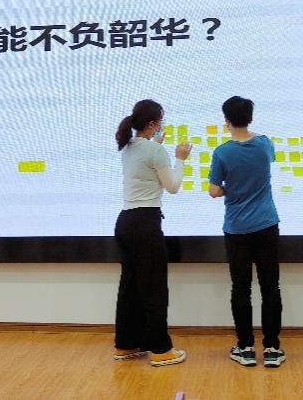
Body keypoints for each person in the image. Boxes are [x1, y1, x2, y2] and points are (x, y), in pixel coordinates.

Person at [113, 98, 192, 367]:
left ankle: (125, 344)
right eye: (161, 120)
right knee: (154, 288)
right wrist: (180, 159)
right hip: (145, 224)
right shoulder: (155, 151)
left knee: (130, 287)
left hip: (125, 222)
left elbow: (145, 164)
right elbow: (173, 186)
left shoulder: (129, 146)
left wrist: (156, 144)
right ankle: (160, 350)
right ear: (152, 123)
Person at [208, 96, 285, 368]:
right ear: (250, 118)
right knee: (270, 286)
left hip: (237, 228)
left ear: (226, 120)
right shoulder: (265, 144)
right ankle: (272, 348)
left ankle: (245, 347)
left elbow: (214, 190)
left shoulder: (221, 152)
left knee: (241, 288)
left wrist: (230, 189)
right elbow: (266, 164)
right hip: (266, 224)